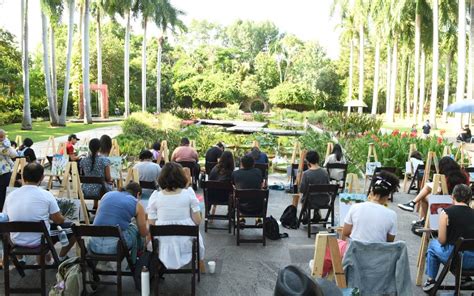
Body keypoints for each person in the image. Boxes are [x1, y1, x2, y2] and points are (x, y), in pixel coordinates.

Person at [3, 163, 75, 262]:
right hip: (40, 241)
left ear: (23, 177)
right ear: (42, 177)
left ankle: (21, 259)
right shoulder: (46, 195)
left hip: (16, 240)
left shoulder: (11, 196)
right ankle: (61, 257)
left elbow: (5, 218)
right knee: (75, 229)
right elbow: (58, 220)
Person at [146, 162, 205, 269]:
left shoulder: (156, 197)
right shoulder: (189, 194)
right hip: (186, 243)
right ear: (182, 177)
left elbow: (151, 224)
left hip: (163, 244)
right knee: (196, 232)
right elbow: (197, 221)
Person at [422, 184, 474, 292]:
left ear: (452, 196)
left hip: (457, 259)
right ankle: (463, 278)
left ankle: (431, 280)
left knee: (432, 245)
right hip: (473, 259)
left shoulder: (446, 213)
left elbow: (442, 240)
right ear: (469, 198)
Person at [398, 156, 469, 223]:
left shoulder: (446, 177)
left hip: (450, 201)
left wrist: (437, 188)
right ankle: (414, 206)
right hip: (462, 201)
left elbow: (443, 192)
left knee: (425, 194)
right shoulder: (464, 175)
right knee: (427, 191)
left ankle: (416, 209)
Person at [89, 182, 148, 261]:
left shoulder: (106, 195)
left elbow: (98, 217)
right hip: (116, 247)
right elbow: (143, 233)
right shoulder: (136, 203)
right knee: (136, 230)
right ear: (138, 194)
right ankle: (137, 259)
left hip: (94, 245)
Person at [343, 171, 400, 243]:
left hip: (355, 252)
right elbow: (389, 241)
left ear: (371, 193)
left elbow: (345, 232)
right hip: (378, 253)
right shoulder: (392, 214)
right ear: (387, 197)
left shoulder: (355, 207)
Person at [0, 129, 17, 210]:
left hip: (5, 171)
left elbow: (14, 154)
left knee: (4, 193)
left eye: (2, 137)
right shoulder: (4, 146)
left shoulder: (5, 144)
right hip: (4, 171)